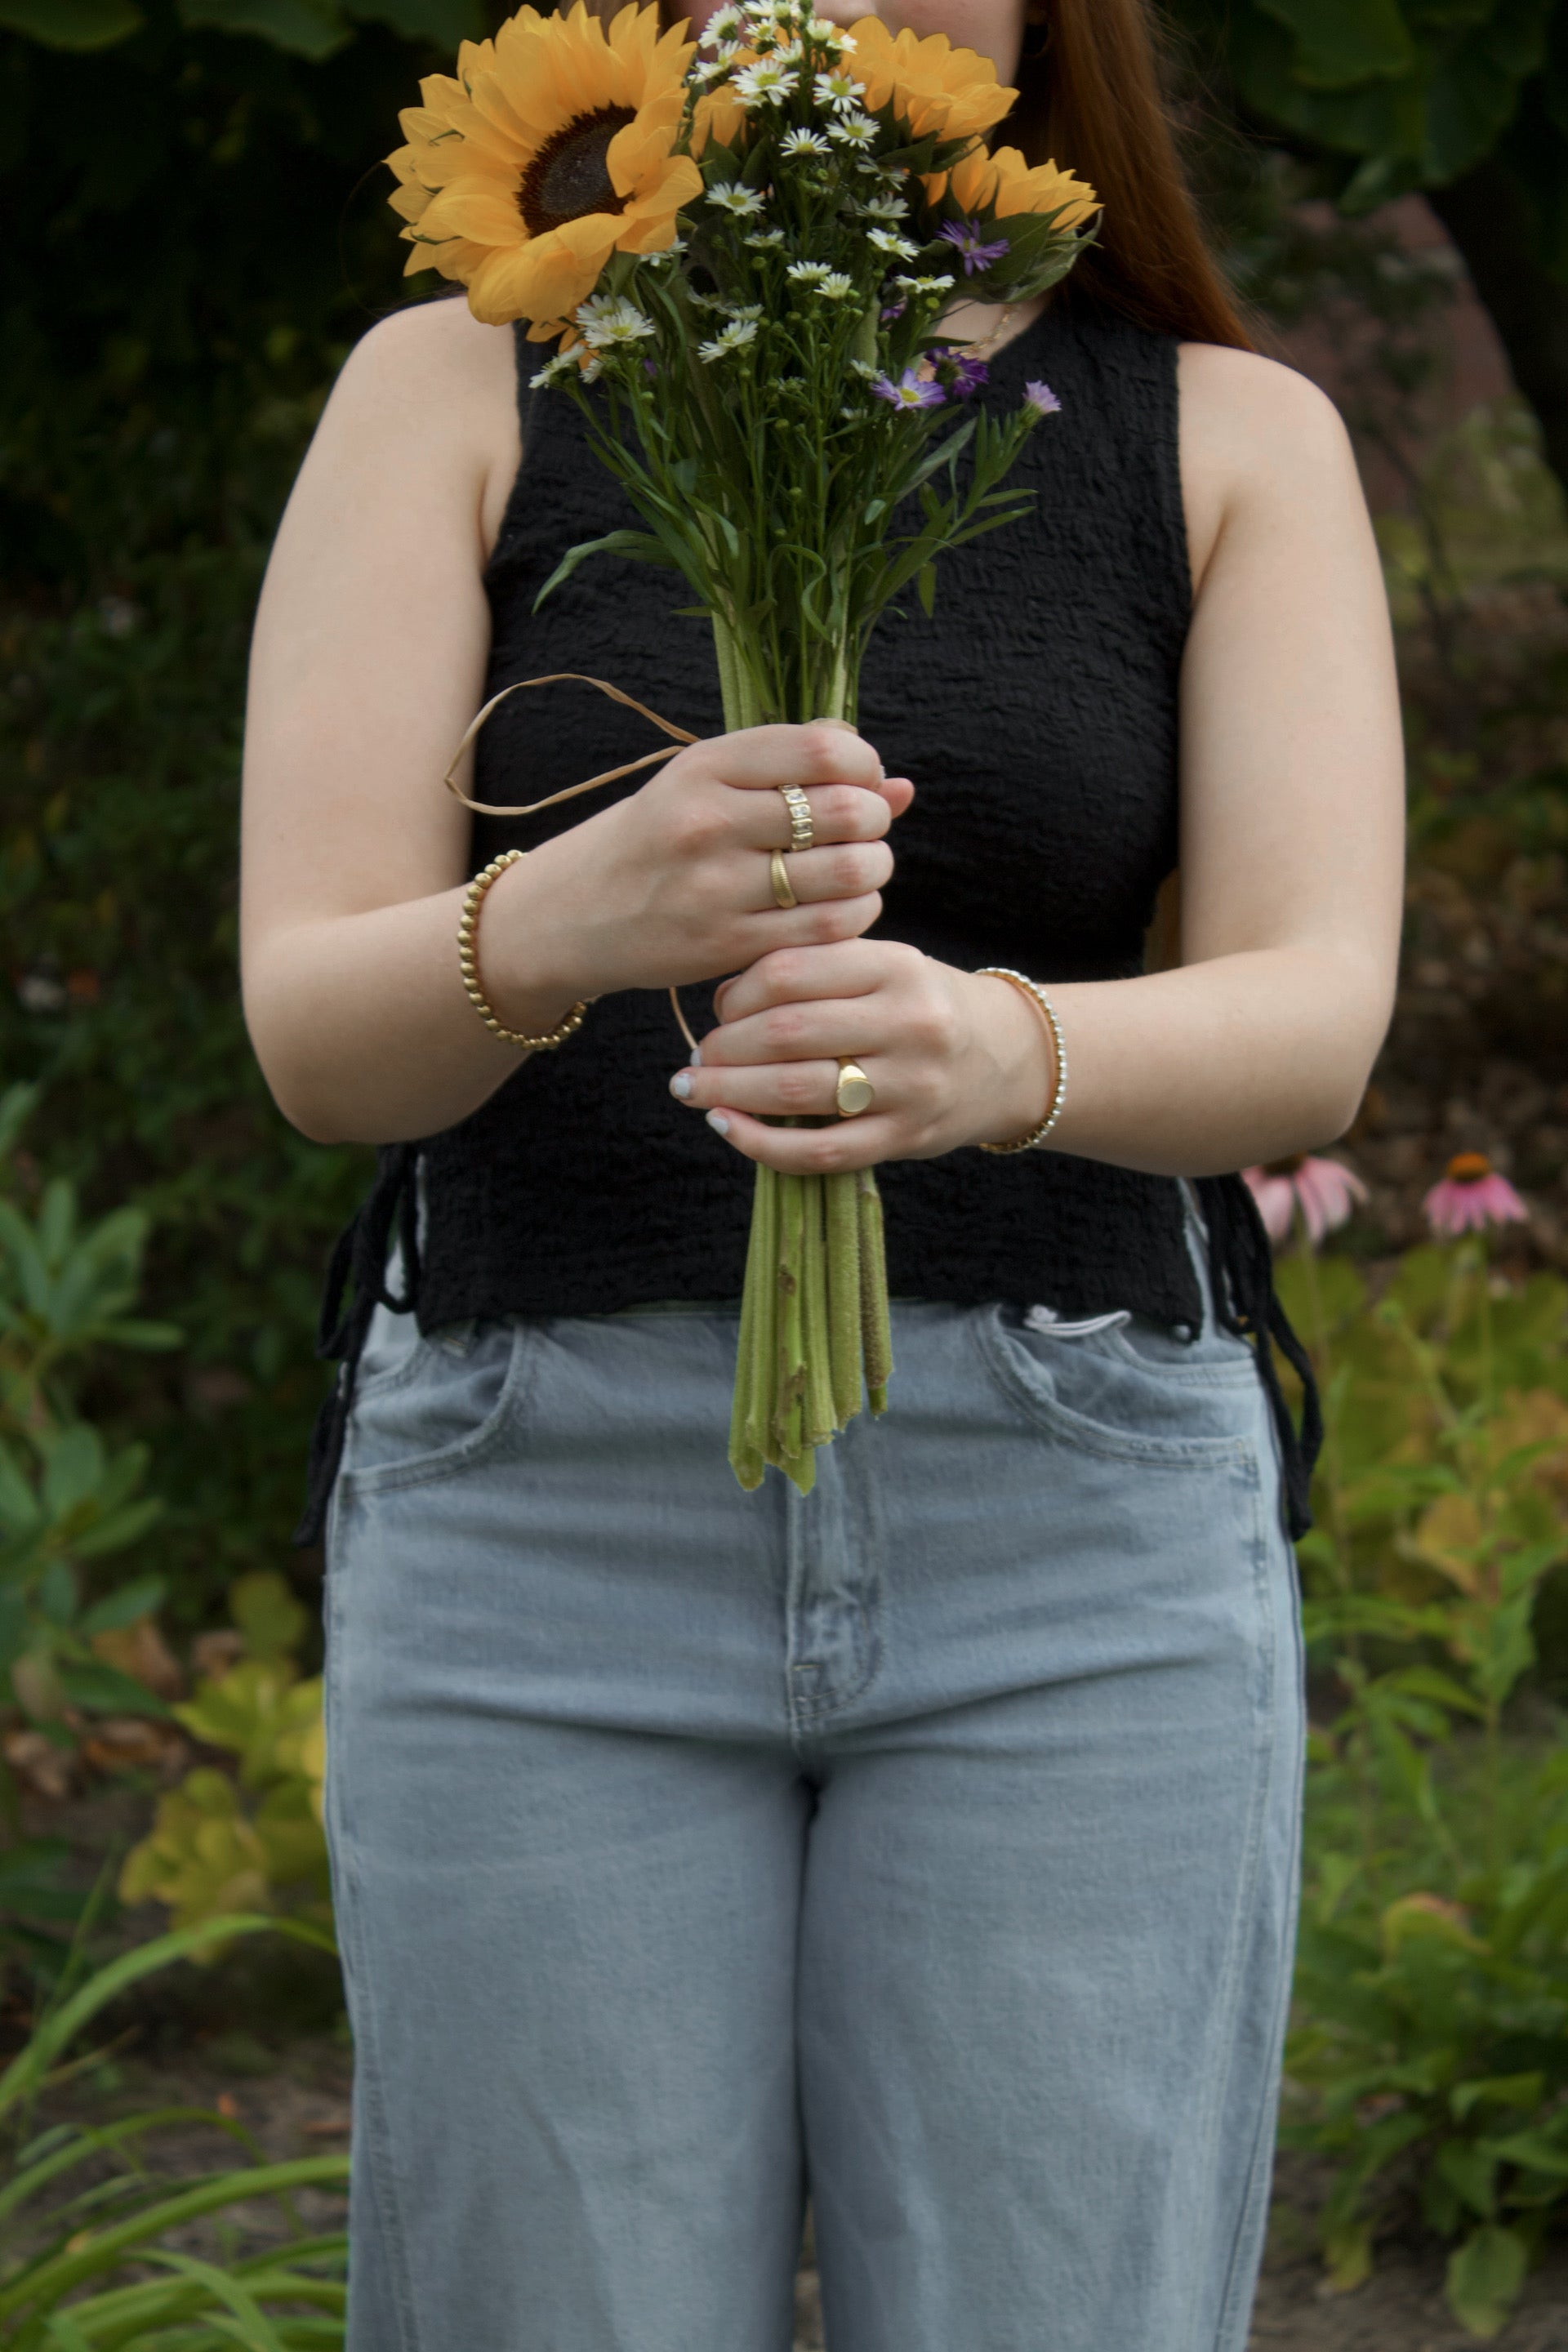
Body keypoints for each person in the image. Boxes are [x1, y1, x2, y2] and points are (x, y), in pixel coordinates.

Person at [239, 0, 1403, 2339]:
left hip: (1076, 1529)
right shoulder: (454, 386)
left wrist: (996, 1053)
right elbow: (312, 1034)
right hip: (540, 1523)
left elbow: (1315, 1018)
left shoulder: (1227, 433)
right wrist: (572, 911)